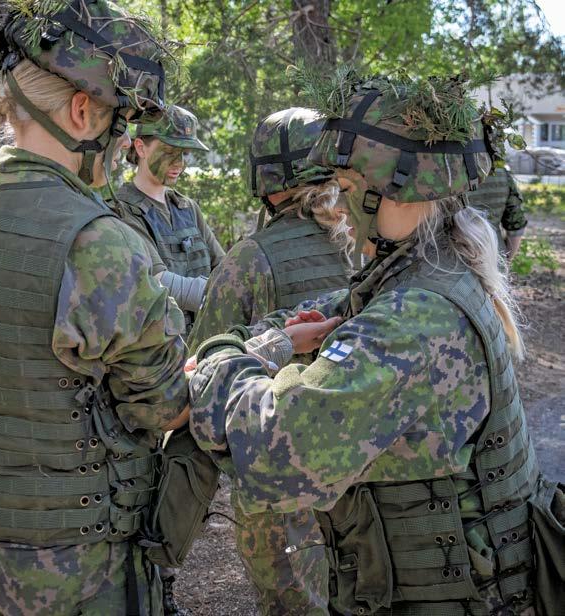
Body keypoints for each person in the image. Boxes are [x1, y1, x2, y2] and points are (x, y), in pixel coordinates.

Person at [184, 74, 546, 615]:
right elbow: (335, 307)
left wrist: (220, 358)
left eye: (349, 190)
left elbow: (273, 450)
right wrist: (276, 338)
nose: (339, 208)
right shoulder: (431, 267)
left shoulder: (417, 317)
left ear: (398, 193)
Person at [0, 2, 189, 614]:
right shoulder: (100, 242)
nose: (122, 145)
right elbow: (166, 407)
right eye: (119, 125)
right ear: (82, 112)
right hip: (84, 577)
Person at [187, 107, 352, 615]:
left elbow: (203, 369)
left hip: (282, 482)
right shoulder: (370, 241)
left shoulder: (251, 258)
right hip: (365, 464)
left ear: (266, 179)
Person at [115, 105, 225, 334]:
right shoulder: (124, 211)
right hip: (162, 346)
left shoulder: (187, 208)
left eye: (184, 153)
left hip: (203, 338)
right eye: (169, 151)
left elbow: (225, 267)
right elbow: (157, 280)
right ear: (140, 148)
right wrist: (226, 294)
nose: (179, 163)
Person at [466, 165, 527, 260]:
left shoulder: (446, 169)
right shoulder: (500, 171)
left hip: (450, 259)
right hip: (493, 255)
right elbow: (516, 226)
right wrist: (507, 261)